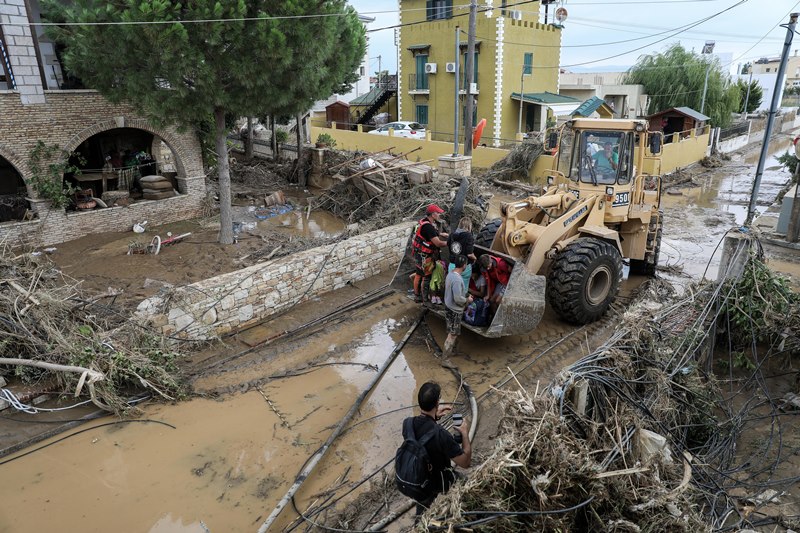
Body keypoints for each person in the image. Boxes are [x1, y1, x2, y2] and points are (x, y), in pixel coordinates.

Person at [403, 382, 471, 515]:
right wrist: (464, 434)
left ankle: (420, 524)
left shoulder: (407, 424)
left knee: (423, 507)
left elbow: (423, 431)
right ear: (437, 403)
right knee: (464, 482)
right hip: (437, 480)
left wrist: (434, 416)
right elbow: (465, 463)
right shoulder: (441, 435)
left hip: (417, 478)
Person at [411, 204, 449, 302]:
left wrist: (440, 234)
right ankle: (422, 298)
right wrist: (450, 242)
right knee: (425, 276)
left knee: (419, 274)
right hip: (424, 256)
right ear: (433, 214)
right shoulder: (428, 227)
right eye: (438, 213)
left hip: (418, 253)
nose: (439, 215)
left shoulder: (424, 222)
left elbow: (428, 234)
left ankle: (417, 294)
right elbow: (438, 243)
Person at [443, 255, 473, 358]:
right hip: (454, 310)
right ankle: (445, 359)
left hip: (448, 306)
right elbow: (458, 299)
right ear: (464, 265)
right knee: (452, 335)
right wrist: (467, 300)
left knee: (452, 332)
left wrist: (465, 294)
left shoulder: (450, 274)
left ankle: (451, 351)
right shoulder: (457, 280)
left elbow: (453, 292)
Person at [447, 217, 476, 296]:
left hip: (452, 265)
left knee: (451, 287)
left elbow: (448, 245)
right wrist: (475, 258)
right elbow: (470, 254)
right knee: (463, 288)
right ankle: (460, 306)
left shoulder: (452, 235)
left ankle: (449, 304)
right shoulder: (469, 236)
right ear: (469, 226)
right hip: (464, 267)